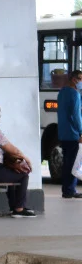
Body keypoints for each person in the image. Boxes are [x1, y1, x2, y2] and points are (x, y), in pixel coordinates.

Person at [57, 70, 82, 199]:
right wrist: (81, 131)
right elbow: (76, 116)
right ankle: (70, 190)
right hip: (73, 134)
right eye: (80, 79)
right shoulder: (75, 95)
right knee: (73, 163)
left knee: (67, 162)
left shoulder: (61, 92)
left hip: (63, 133)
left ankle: (67, 189)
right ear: (74, 79)